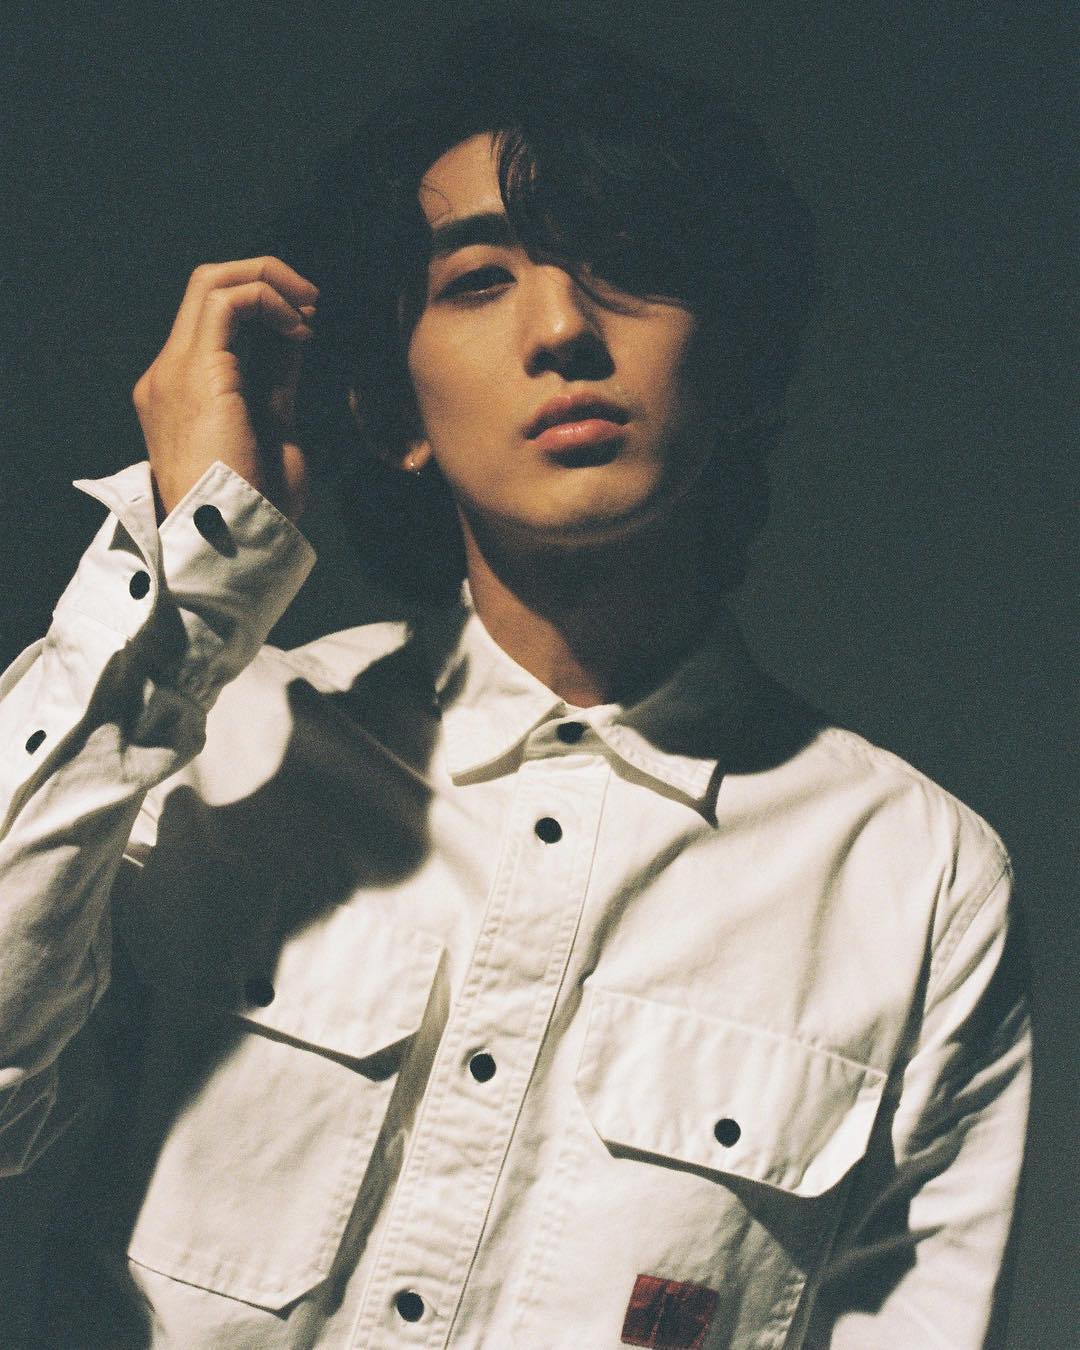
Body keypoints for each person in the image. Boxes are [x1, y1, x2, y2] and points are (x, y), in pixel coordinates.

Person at [0, 16, 1029, 1349]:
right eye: (481, 280)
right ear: (393, 410)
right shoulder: (218, 748)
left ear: (736, 364)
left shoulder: (919, 883)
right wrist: (187, 573)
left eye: (629, 265)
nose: (562, 329)